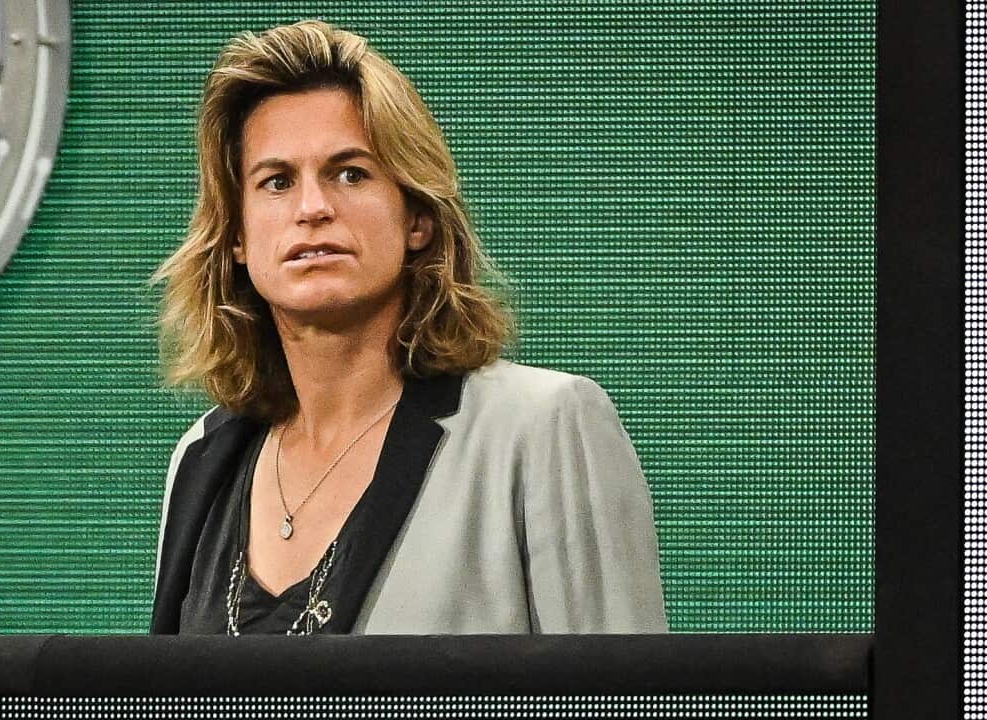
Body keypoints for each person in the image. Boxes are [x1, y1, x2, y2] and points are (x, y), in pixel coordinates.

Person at [150, 20, 666, 635]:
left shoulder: (543, 427)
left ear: (416, 217)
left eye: (351, 173)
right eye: (277, 181)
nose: (313, 208)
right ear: (236, 236)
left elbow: (622, 697)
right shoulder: (203, 458)